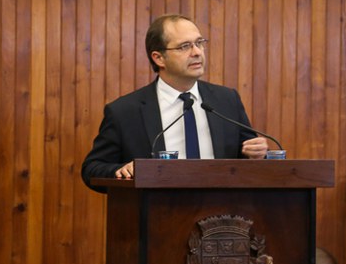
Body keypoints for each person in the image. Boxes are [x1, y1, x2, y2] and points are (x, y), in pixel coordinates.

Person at [81, 14, 269, 192]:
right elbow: (92, 169)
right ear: (158, 58)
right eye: (184, 46)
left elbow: (247, 156)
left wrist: (257, 154)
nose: (196, 52)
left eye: (199, 43)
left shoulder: (226, 100)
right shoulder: (125, 111)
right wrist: (122, 171)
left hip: (220, 217)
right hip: (158, 214)